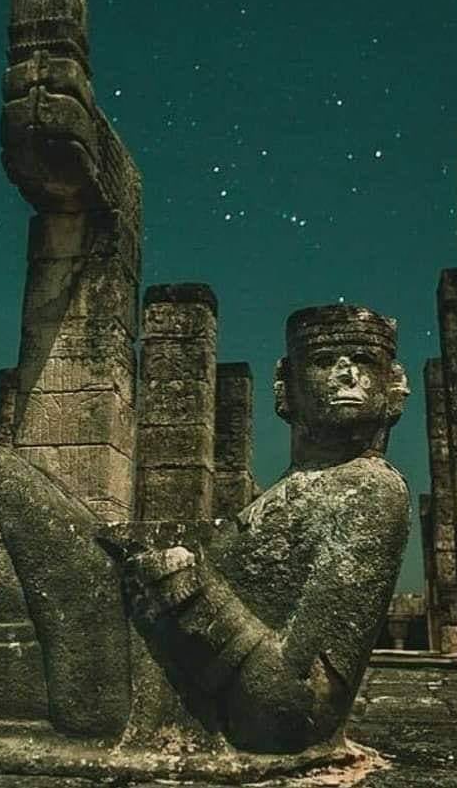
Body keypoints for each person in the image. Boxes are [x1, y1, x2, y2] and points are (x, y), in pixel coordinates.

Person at [125, 304, 411, 752]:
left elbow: (296, 709)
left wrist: (196, 597)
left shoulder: (372, 490)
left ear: (393, 385)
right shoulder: (297, 486)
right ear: (286, 386)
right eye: (323, 361)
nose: (346, 374)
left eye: (363, 360)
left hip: (162, 682)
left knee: (0, 478)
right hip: (150, 663)